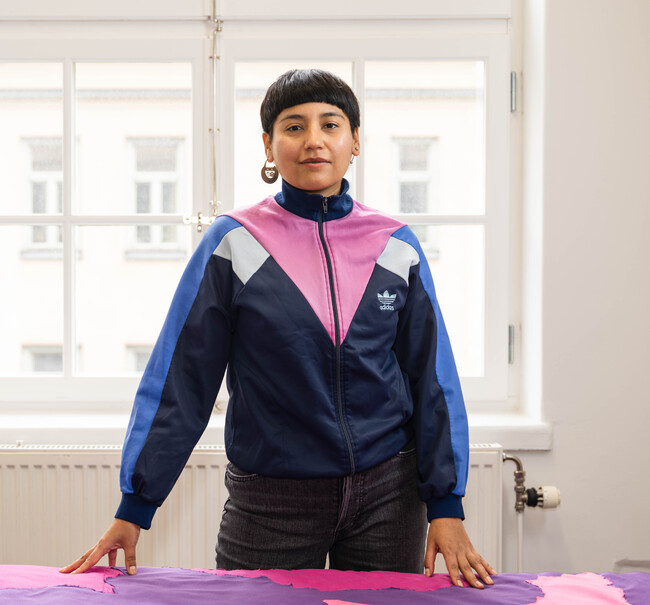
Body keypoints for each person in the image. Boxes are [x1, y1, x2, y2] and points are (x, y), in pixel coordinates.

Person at [60, 69, 495, 589]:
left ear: (355, 141)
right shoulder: (234, 242)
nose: (313, 140)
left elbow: (433, 381)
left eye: (330, 124)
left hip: (387, 494)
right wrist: (135, 506)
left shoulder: (396, 244)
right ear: (268, 145)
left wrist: (446, 505)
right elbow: (182, 379)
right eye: (293, 127)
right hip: (271, 501)